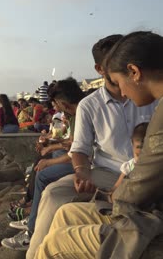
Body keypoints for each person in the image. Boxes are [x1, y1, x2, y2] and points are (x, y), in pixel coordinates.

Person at [26, 34, 157, 259]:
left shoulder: (151, 96)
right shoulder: (90, 105)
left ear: (135, 69)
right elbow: (80, 149)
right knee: (54, 193)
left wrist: (122, 191)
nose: (124, 93)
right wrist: (81, 172)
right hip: (105, 172)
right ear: (100, 69)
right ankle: (33, 249)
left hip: (141, 176)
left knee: (63, 222)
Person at [1, 78, 85, 250]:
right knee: (41, 162)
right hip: (82, 159)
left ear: (62, 102)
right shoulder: (77, 113)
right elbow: (72, 142)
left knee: (43, 174)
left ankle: (31, 230)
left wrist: (51, 157)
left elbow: (76, 149)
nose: (55, 107)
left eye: (55, 103)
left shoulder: (82, 113)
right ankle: (32, 211)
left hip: (84, 163)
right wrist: (51, 145)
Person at [111, 122, 148, 191]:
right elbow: (116, 186)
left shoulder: (155, 164)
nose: (140, 159)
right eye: (137, 155)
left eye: (145, 155)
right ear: (132, 145)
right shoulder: (129, 166)